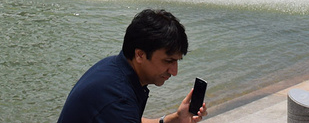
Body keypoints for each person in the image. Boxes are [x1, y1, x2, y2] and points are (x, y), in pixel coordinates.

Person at [57, 8, 206, 123]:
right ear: (140, 55)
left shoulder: (113, 68)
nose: (174, 72)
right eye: (168, 61)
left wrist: (176, 119)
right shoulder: (117, 98)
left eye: (177, 61)